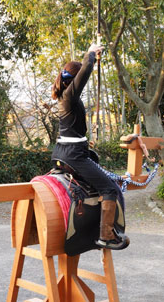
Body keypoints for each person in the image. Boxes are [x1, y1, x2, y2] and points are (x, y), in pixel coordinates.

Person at [51, 43, 129, 250]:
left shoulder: (65, 97)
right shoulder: (69, 96)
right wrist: (91, 53)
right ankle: (106, 235)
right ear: (75, 79)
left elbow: (73, 126)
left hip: (67, 152)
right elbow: (85, 72)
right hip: (73, 155)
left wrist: (85, 133)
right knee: (109, 188)